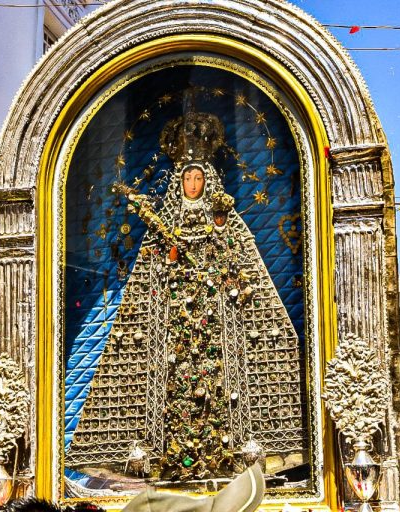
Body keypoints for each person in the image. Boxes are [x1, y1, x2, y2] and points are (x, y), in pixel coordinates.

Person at [64, 112, 306, 484]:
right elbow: (150, 275)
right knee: (171, 382)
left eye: (198, 178)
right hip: (173, 319)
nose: (193, 183)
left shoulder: (227, 220)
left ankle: (233, 454)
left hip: (220, 320)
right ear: (179, 181)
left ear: (208, 181)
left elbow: (242, 268)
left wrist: (222, 265)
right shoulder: (165, 223)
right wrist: (170, 257)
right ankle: (163, 457)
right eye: (188, 178)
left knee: (223, 385)